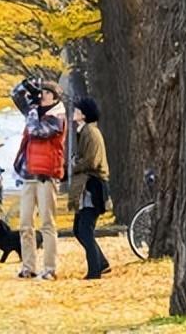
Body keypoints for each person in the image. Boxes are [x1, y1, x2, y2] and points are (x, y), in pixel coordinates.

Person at [11, 79, 66, 280]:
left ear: (55, 97)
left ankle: (50, 268)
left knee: (47, 223)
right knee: (25, 224)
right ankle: (28, 267)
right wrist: (27, 87)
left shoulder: (57, 117)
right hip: (29, 175)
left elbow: (37, 131)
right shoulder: (34, 111)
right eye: (41, 92)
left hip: (46, 176)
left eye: (47, 93)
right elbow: (15, 96)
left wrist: (32, 110)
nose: (42, 95)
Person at [70, 97, 111, 279]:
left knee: (85, 229)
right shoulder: (84, 131)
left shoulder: (91, 133)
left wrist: (75, 164)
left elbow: (92, 161)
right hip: (85, 186)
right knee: (78, 229)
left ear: (84, 114)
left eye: (77, 110)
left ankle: (95, 271)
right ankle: (101, 263)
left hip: (92, 186)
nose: (74, 113)